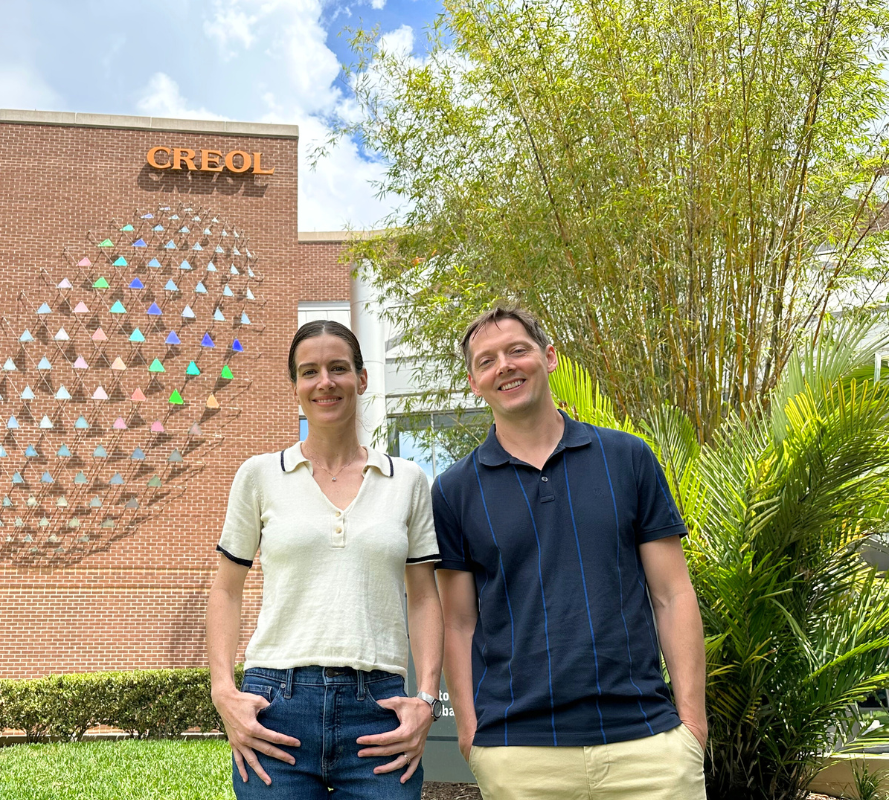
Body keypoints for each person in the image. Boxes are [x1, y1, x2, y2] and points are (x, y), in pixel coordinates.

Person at [433, 305, 708, 800]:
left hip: (648, 746)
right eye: (487, 360)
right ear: (474, 382)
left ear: (550, 356)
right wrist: (472, 736)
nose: (505, 366)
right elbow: (459, 623)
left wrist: (691, 725)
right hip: (519, 754)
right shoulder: (455, 490)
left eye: (518, 350)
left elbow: (672, 594)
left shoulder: (628, 458)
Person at [206, 319, 445, 799]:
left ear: (361, 378)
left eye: (338, 368)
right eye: (309, 371)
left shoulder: (408, 480)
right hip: (276, 706)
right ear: (295, 385)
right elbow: (226, 590)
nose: (325, 382)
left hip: (380, 708)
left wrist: (426, 700)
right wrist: (222, 691)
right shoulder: (258, 476)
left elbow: (423, 597)